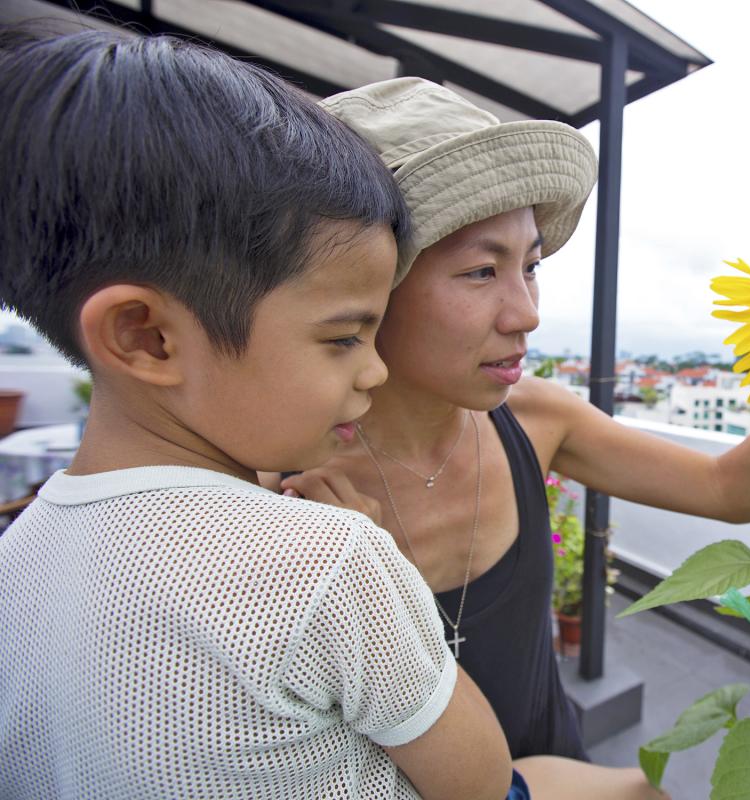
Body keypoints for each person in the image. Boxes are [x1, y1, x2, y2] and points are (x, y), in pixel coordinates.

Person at [279, 73, 750, 779]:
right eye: (481, 271)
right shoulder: (273, 488)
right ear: (372, 282)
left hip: (566, 768)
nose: (526, 313)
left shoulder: (537, 419)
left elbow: (729, 491)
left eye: (531, 265)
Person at [0, 30, 514, 799]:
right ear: (147, 336)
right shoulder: (328, 558)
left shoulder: (18, 556)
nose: (373, 369)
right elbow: (481, 782)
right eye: (343, 336)